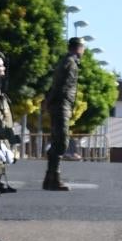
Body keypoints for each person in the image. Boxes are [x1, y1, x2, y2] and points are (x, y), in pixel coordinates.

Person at [42, 36, 81, 191]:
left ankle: (50, 178)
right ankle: (53, 179)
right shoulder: (70, 63)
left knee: (58, 141)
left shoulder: (66, 61)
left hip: (60, 104)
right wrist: (51, 101)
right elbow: (62, 86)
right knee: (61, 142)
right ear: (78, 48)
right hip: (62, 105)